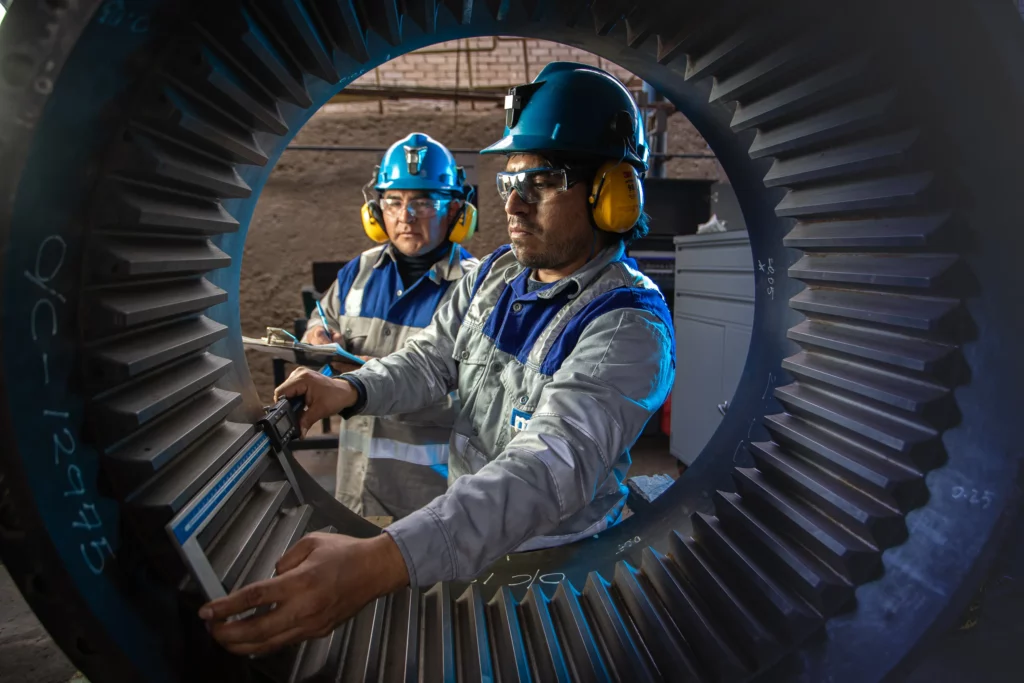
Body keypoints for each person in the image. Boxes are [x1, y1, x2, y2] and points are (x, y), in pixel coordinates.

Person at [200, 62, 675, 656]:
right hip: (460, 542)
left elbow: (545, 469)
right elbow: (431, 360)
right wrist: (350, 390)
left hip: (553, 569)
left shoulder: (628, 325)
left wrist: (380, 560)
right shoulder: (502, 277)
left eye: (543, 183)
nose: (516, 205)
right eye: (509, 183)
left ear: (613, 194)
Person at [301, 132, 479, 519]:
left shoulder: (478, 289)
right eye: (393, 202)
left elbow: (485, 401)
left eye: (423, 202)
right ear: (376, 211)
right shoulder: (357, 273)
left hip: (433, 502)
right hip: (355, 489)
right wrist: (315, 337)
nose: (405, 217)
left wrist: (372, 381)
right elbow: (321, 319)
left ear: (457, 212)